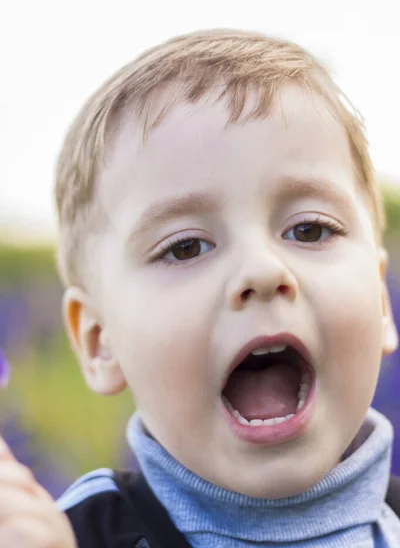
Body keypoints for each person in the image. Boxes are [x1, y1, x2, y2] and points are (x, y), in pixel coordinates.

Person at [1, 29, 400, 547]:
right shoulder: (74, 536)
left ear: (383, 301)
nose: (261, 271)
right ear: (102, 340)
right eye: (186, 247)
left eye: (309, 229)